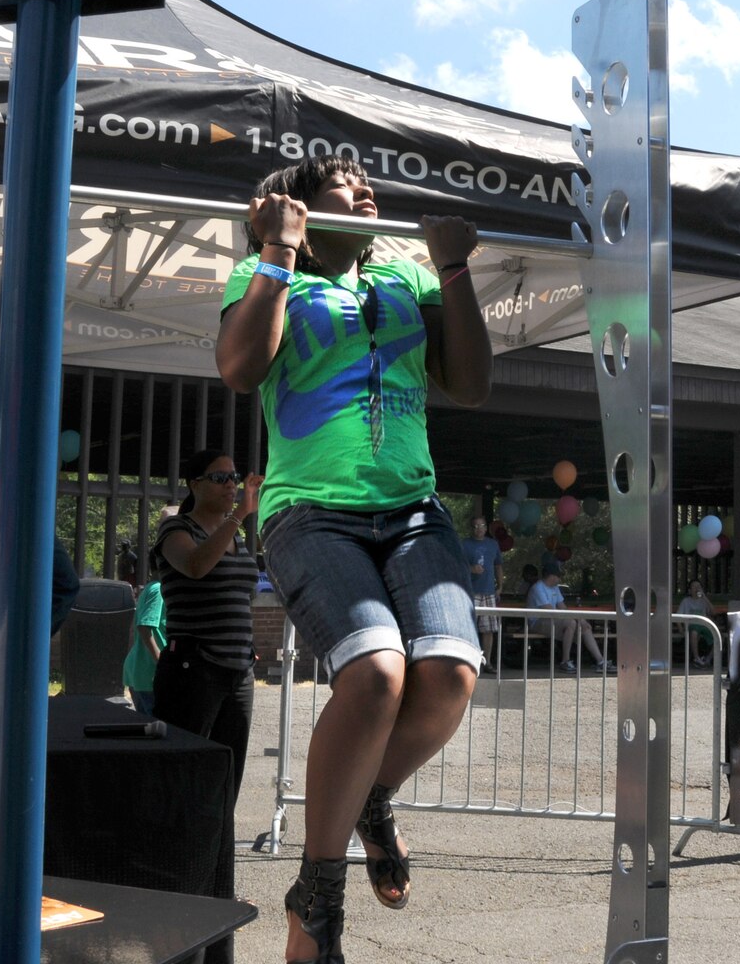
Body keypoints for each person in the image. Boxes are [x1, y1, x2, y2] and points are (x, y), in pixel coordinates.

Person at [215, 155, 491, 964]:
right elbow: (240, 370)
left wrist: (454, 267)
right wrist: (277, 252)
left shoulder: (406, 274)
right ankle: (319, 889)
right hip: (311, 510)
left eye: (370, 181)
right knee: (374, 673)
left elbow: (469, 383)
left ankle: (370, 799)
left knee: (450, 671)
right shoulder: (265, 273)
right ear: (296, 208)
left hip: (411, 510)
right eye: (346, 184)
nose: (367, 191)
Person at [152, 449, 263, 802]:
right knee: (185, 778)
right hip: (194, 669)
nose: (231, 484)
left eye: (233, 476)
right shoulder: (176, 528)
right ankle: (179, 855)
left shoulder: (237, 540)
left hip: (238, 672)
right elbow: (196, 565)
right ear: (194, 484)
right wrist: (240, 514)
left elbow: (242, 597)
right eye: (219, 478)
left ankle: (218, 856)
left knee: (227, 782)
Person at [526, 560, 612, 673]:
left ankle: (601, 661)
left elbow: (563, 608)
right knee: (570, 623)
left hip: (553, 620)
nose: (560, 579)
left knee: (584, 626)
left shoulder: (555, 588)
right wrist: (574, 619)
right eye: (558, 576)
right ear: (552, 576)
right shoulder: (538, 588)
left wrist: (580, 619)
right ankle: (565, 661)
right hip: (537, 622)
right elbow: (549, 611)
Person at [459, 515, 503, 675]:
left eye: (482, 525)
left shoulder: (493, 544)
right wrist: (471, 569)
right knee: (469, 628)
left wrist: (500, 587)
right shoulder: (464, 544)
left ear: (486, 528)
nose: (479, 529)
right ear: (472, 528)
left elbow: (498, 566)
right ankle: (468, 661)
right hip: (470, 591)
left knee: (488, 629)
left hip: (489, 591)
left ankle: (488, 662)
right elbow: (456, 565)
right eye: (476, 526)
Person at [122, 568, 165, 717]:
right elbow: (144, 626)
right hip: (150, 674)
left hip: (141, 671)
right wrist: (161, 664)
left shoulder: (151, 588)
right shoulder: (159, 589)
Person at [677, 578, 715, 668]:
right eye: (694, 587)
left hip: (704, 625)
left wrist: (704, 597)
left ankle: (708, 658)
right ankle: (696, 658)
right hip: (692, 625)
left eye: (698, 586)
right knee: (694, 633)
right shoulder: (686, 601)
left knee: (718, 636)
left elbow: (713, 612)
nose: (697, 588)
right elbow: (678, 615)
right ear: (690, 590)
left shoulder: (703, 601)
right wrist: (680, 628)